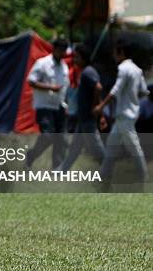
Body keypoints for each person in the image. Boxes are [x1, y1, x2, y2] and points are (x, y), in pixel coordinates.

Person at [93, 39, 150, 186]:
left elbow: (116, 90)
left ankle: (143, 176)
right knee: (112, 147)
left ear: (121, 52)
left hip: (125, 115)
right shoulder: (137, 70)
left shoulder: (123, 69)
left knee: (134, 147)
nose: (113, 55)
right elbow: (143, 91)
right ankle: (102, 177)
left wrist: (101, 105)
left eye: (115, 52)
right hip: (127, 115)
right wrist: (133, 100)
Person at [58, 44, 106, 171]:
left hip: (87, 118)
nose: (75, 60)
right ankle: (62, 171)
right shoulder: (85, 72)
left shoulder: (87, 72)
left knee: (96, 148)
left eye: (77, 57)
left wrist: (94, 106)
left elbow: (98, 88)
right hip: (82, 117)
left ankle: (107, 168)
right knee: (75, 147)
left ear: (84, 58)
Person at [24, 39, 70, 169]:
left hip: (60, 106)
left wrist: (66, 103)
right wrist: (49, 87)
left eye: (64, 51)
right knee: (48, 135)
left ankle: (57, 168)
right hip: (45, 105)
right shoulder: (42, 63)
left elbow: (64, 87)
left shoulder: (64, 67)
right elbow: (31, 81)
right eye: (61, 50)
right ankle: (31, 155)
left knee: (60, 138)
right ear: (54, 49)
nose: (63, 53)